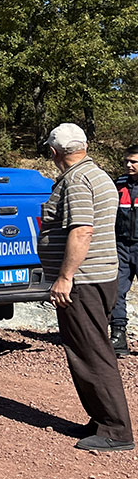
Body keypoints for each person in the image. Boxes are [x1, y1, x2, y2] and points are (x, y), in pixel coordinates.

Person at [38, 123, 133, 451]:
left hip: (84, 281)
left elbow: (82, 231)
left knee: (90, 352)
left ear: (54, 152)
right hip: (99, 276)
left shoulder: (76, 180)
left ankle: (114, 429)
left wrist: (65, 277)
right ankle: (101, 418)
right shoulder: (99, 175)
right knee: (93, 348)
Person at [111, 145, 138, 357]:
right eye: (127, 161)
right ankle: (118, 337)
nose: (129, 165)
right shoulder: (119, 184)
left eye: (134, 162)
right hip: (121, 246)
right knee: (117, 291)